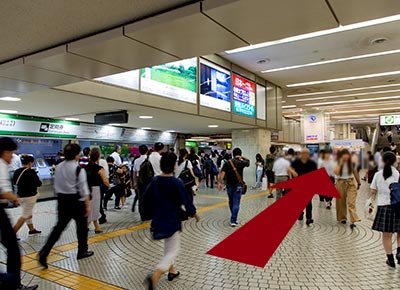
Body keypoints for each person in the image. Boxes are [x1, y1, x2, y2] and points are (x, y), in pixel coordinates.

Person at [143, 152, 200, 290]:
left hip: (158, 219)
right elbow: (186, 201)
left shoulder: (155, 181)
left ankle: (172, 271)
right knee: (172, 251)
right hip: (172, 220)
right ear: (174, 166)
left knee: (168, 247)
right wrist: (194, 214)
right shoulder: (176, 183)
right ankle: (155, 276)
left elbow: (145, 199)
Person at [39, 143, 93, 269]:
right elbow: (84, 190)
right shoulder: (78, 169)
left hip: (62, 200)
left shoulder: (59, 167)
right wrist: (88, 205)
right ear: (76, 155)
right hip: (77, 202)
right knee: (81, 228)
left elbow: (56, 186)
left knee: (58, 229)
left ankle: (44, 252)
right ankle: (82, 251)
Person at [0, 137, 38, 290]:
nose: (12, 158)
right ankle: (12, 284)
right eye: (11, 154)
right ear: (4, 152)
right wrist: (15, 199)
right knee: (13, 249)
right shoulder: (1, 164)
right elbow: (4, 191)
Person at [370, 151, 400, 268]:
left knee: (387, 235)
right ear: (394, 161)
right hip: (397, 206)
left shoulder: (378, 175)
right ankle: (399, 252)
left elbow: (373, 190)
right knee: (399, 232)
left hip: (384, 207)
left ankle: (390, 259)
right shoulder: (397, 174)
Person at [218, 148, 250, 227]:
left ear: (233, 154)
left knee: (231, 202)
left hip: (229, 185)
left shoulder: (227, 163)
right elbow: (248, 162)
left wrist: (220, 182)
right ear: (240, 154)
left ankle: (233, 217)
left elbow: (222, 173)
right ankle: (233, 220)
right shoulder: (241, 162)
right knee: (236, 203)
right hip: (238, 185)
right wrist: (242, 157)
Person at [12, 155, 42, 235]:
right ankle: (12, 234)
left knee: (28, 213)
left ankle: (32, 230)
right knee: (25, 215)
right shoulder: (31, 171)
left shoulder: (17, 171)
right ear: (30, 163)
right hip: (30, 197)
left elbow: (15, 183)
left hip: (20, 196)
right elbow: (39, 184)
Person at [334, 148, 362, 229]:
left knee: (351, 202)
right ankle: (342, 217)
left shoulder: (352, 163)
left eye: (347, 154)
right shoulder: (337, 162)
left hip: (350, 183)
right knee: (341, 202)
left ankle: (353, 220)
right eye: (344, 155)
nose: (346, 156)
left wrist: (359, 182)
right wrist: (341, 163)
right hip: (340, 183)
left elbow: (356, 173)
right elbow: (336, 172)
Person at [85, 148, 111, 234]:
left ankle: (96, 227)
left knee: (93, 208)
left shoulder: (85, 168)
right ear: (98, 157)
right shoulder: (99, 168)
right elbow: (105, 180)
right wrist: (109, 186)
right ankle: (85, 226)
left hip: (86, 189)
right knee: (95, 208)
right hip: (95, 190)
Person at [289, 148, 317, 226]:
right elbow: (289, 168)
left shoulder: (312, 163)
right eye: (304, 153)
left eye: (307, 153)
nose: (305, 155)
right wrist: (293, 172)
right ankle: (300, 213)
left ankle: (309, 218)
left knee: (308, 202)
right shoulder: (297, 161)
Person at [132, 145, 148, 212]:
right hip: (147, 179)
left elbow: (134, 172)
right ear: (147, 151)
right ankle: (147, 212)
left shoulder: (136, 160)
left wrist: (134, 182)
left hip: (139, 179)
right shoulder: (148, 159)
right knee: (148, 196)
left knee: (140, 196)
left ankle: (141, 212)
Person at [98, 156, 109, 224]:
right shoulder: (100, 168)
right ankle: (102, 216)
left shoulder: (86, 167)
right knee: (98, 204)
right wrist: (109, 186)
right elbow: (105, 178)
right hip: (98, 187)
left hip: (89, 188)